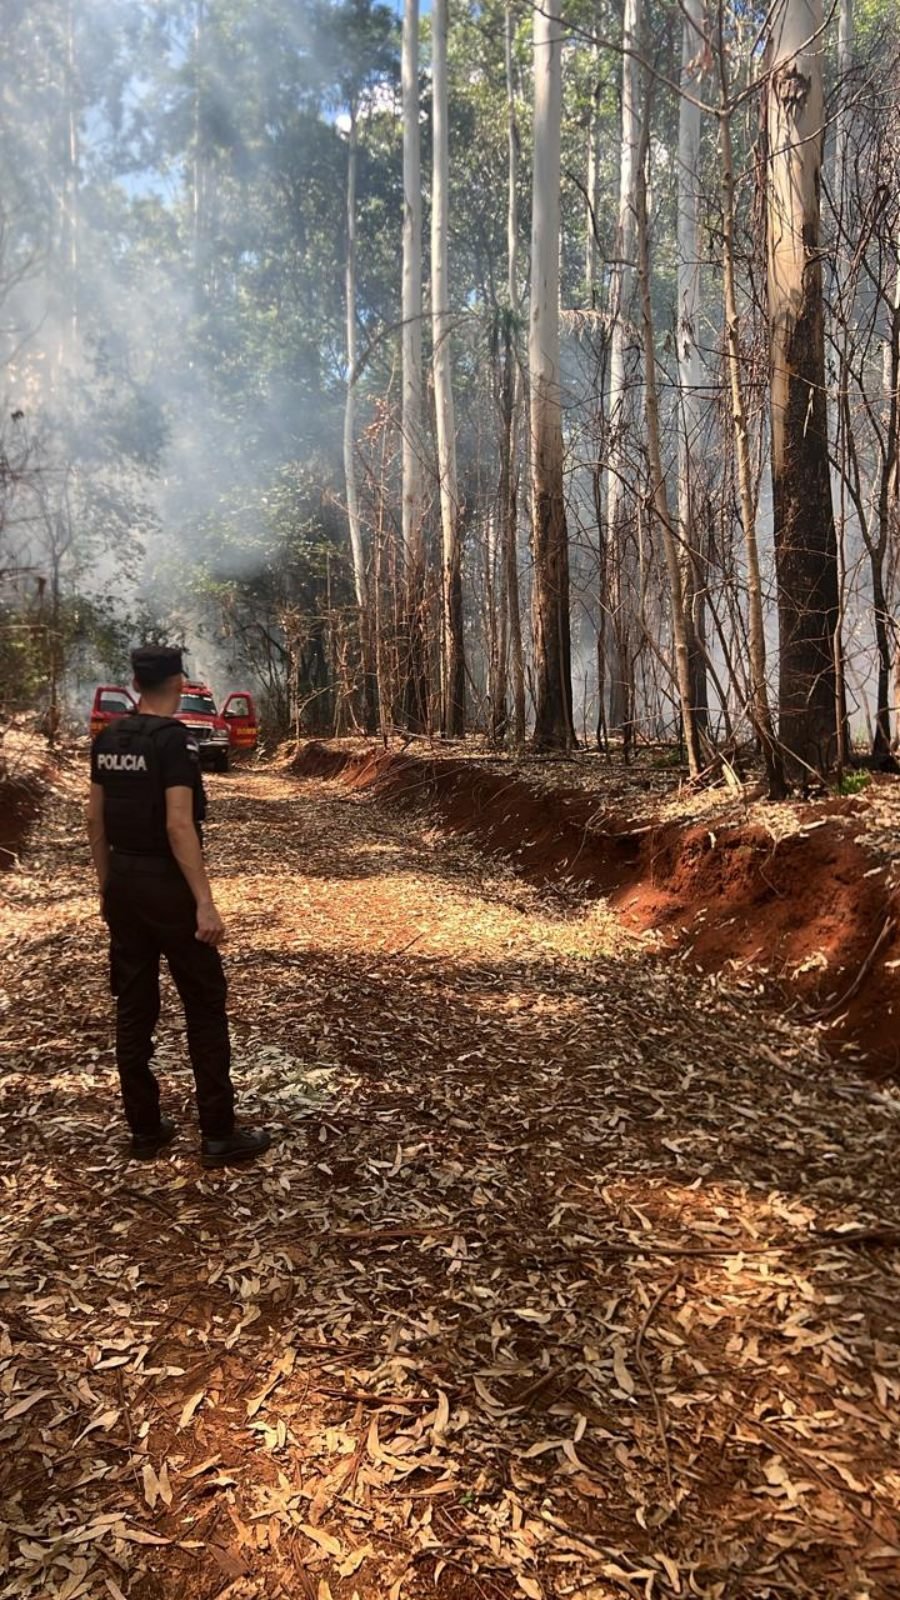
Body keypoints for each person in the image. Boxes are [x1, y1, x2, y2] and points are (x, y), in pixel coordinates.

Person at [87, 644, 270, 1167]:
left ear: (135, 682)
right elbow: (177, 824)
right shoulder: (174, 742)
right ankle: (217, 1133)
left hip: (122, 878)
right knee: (204, 1003)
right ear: (178, 680)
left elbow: (94, 821)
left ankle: (145, 1129)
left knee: (133, 1005)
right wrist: (204, 903)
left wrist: (107, 886)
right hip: (166, 884)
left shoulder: (109, 738)